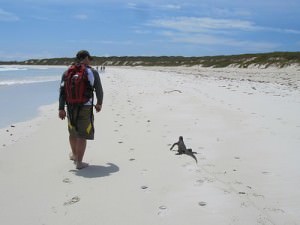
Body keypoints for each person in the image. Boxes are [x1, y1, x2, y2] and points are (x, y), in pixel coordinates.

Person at [58, 50, 103, 170]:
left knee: (72, 132)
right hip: (85, 107)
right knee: (82, 135)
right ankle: (79, 162)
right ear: (87, 58)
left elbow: (62, 92)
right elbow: (99, 90)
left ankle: (74, 155)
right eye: (90, 58)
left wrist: (61, 108)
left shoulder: (67, 72)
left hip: (71, 106)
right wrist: (99, 104)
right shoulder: (92, 72)